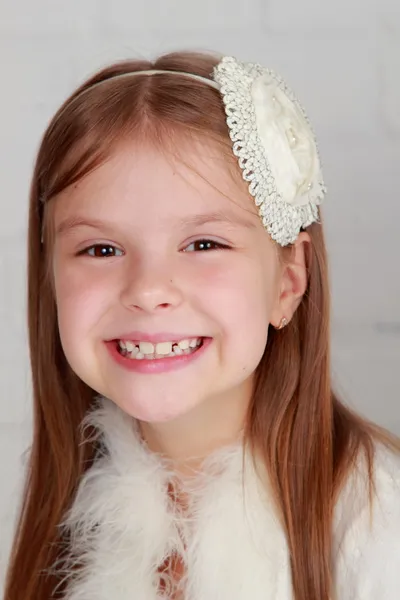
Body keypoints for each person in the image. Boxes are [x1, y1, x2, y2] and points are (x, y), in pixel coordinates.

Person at [3, 50, 400, 600]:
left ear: (288, 282)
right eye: (100, 248)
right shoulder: (53, 520)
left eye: (203, 244)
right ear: (50, 280)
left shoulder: (379, 535)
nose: (147, 289)